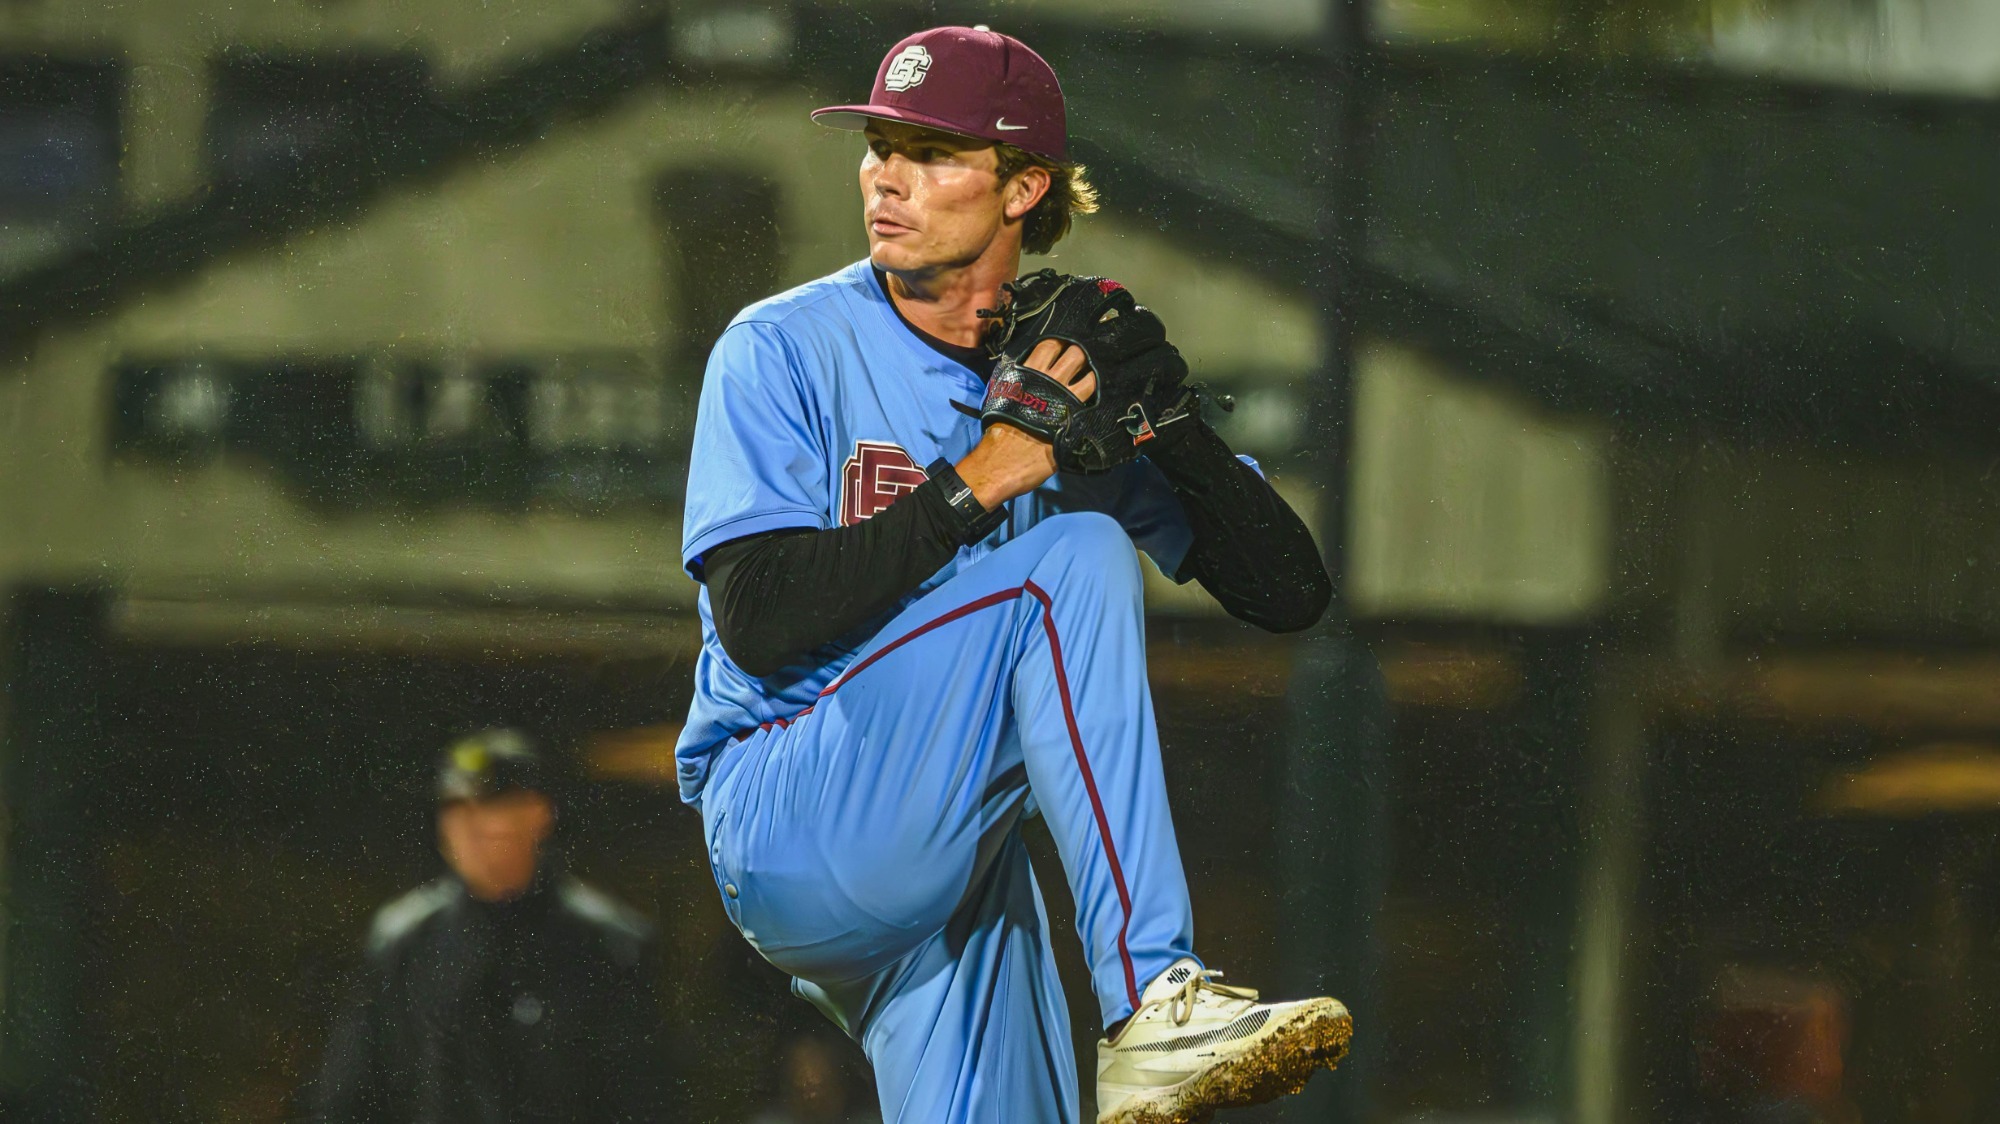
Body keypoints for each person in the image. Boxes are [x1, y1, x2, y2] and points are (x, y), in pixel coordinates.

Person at [676, 25, 1351, 1124]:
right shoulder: (782, 344)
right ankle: (1149, 995)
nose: (886, 174)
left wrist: (1168, 432)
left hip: (957, 858)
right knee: (1070, 556)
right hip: (789, 797)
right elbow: (755, 619)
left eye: (931, 151)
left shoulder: (1053, 371)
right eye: (878, 144)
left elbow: (1288, 594)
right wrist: (980, 475)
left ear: (1022, 186)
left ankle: (1140, 1018)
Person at [308, 728, 671, 1123]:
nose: (470, 827)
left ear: (538, 813)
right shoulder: (404, 944)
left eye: (491, 806)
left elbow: (647, 1104)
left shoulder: (612, 946)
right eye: (456, 809)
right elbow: (346, 1101)